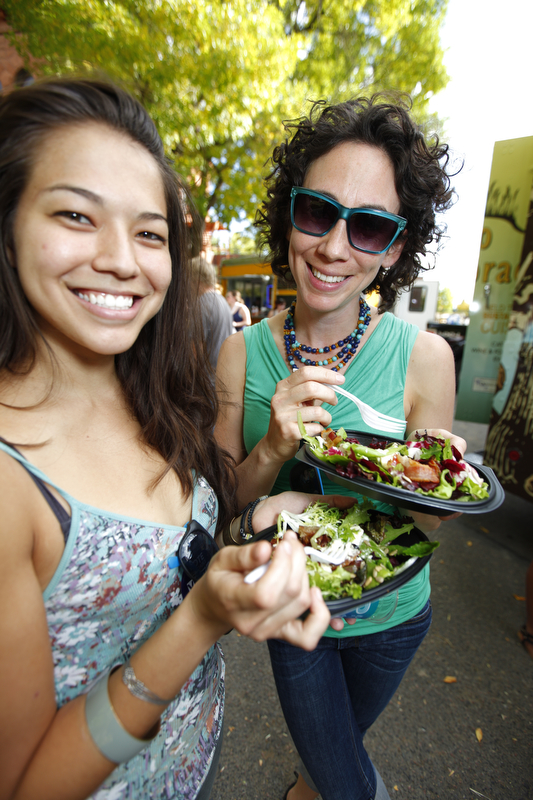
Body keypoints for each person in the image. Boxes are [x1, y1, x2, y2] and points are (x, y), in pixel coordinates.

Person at [0, 78, 351, 800]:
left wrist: (260, 497)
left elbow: (194, 534)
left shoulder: (149, 382)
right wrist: (201, 618)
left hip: (196, 759)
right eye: (75, 214)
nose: (123, 260)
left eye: (150, 233)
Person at [215, 95, 466, 800]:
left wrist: (431, 493)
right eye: (318, 212)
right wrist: (270, 449)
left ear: (393, 248)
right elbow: (220, 505)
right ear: (290, 214)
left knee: (331, 758)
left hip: (395, 618)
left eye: (369, 227)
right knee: (349, 783)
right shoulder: (238, 356)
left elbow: (424, 525)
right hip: (297, 617)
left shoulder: (425, 359)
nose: (333, 247)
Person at [191, 256, 234, 373]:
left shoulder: (201, 304)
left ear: (195, 279)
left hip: (206, 376)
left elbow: (195, 350)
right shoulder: (222, 300)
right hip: (220, 373)